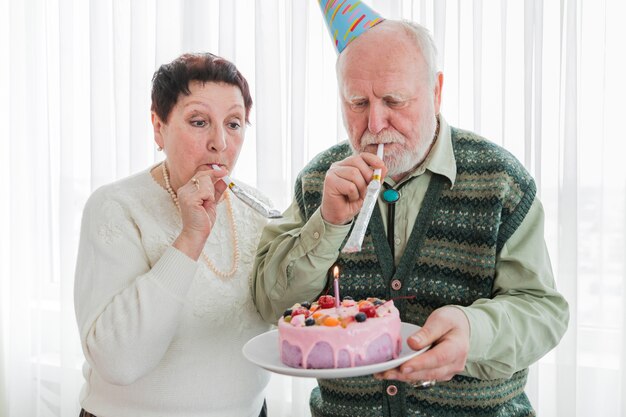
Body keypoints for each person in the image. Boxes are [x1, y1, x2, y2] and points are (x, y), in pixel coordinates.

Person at [252, 17, 569, 417]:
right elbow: (268, 303)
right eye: (358, 103)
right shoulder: (319, 181)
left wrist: (474, 331)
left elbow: (543, 311)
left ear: (436, 92)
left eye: (394, 101)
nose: (375, 124)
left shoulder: (500, 179)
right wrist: (328, 223)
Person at [74, 53, 271, 417]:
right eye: (199, 121)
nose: (220, 143)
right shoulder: (115, 207)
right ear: (158, 126)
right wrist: (191, 236)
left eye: (234, 123)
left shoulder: (258, 207)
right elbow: (118, 361)